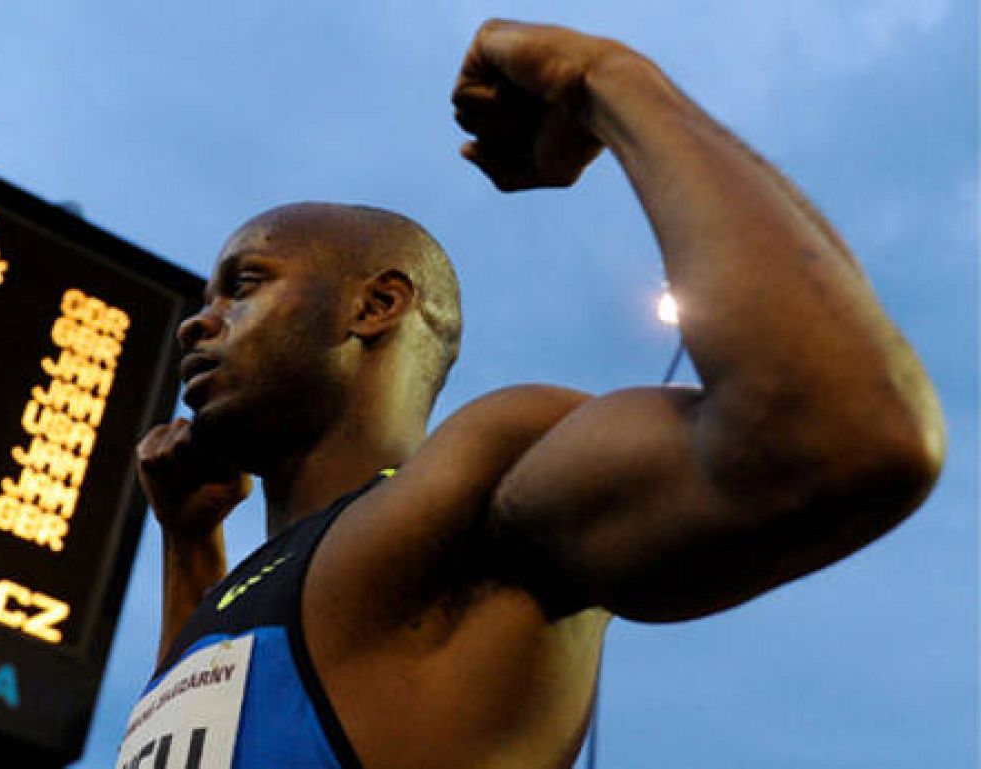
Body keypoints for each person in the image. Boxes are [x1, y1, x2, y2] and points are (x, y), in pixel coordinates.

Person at [120, 18, 945, 769]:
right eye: (204, 302)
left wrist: (609, 80)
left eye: (245, 284)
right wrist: (190, 543)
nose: (201, 323)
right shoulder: (256, 576)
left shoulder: (476, 481)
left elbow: (846, 435)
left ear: (374, 307)